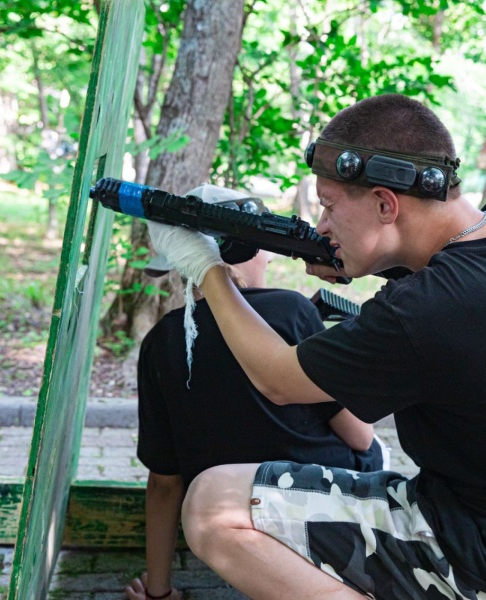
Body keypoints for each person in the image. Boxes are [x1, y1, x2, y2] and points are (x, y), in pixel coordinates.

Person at [149, 95, 486, 600]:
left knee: (213, 504)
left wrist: (209, 270)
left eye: (329, 206)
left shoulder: (422, 313)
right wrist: (375, 260)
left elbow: (276, 378)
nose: (322, 224)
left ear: (385, 205)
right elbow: (461, 273)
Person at [124, 184, 384, 600]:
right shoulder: (293, 310)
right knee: (378, 452)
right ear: (248, 249)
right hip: (316, 507)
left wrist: (159, 591)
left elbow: (164, 482)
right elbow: (360, 436)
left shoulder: (160, 341)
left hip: (227, 518)